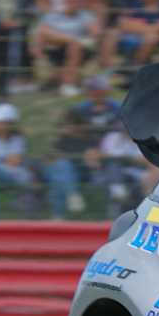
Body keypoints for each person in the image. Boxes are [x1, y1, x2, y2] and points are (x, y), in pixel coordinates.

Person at [42, 75, 120, 216]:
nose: (95, 93)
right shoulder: (64, 137)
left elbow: (95, 153)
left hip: (91, 167)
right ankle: (71, 199)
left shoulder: (115, 109)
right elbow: (50, 156)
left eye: (98, 90)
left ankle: (60, 214)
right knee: (60, 170)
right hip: (68, 171)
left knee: (60, 175)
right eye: (92, 90)